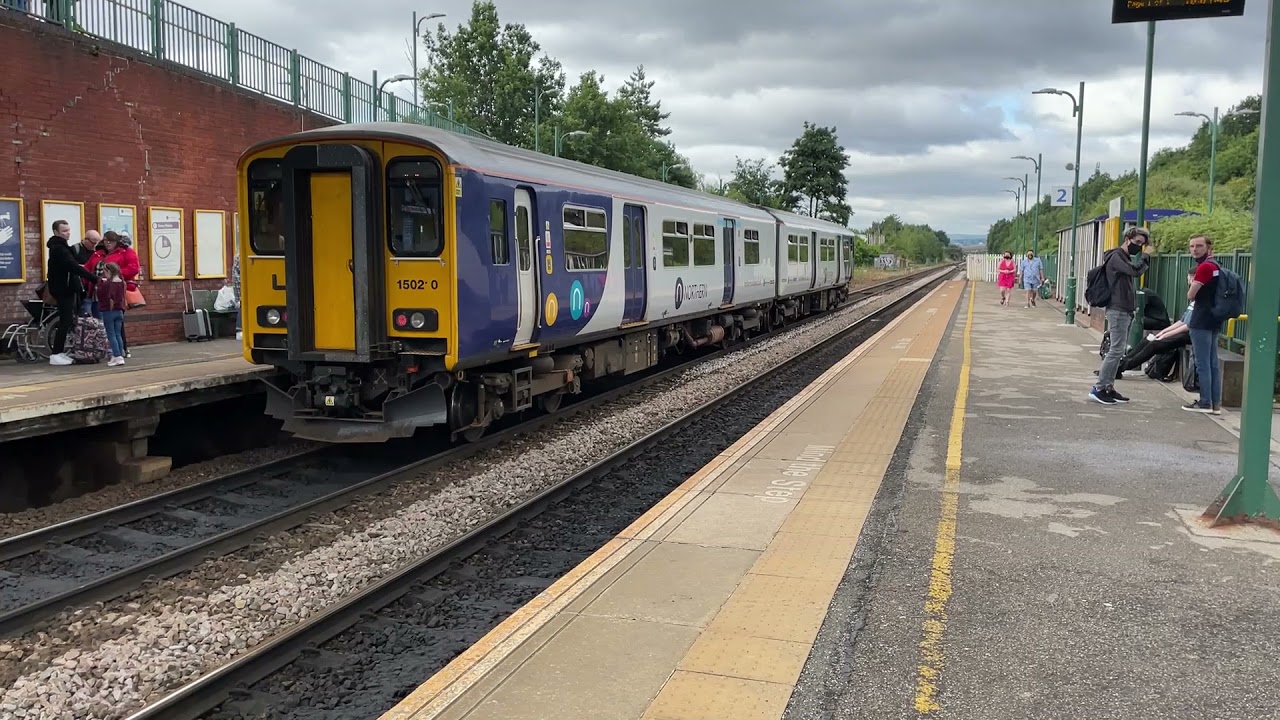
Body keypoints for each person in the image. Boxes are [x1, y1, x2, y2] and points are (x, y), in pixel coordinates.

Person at [1089, 227, 1151, 405]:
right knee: (1116, 349)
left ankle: (1108, 386)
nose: (1139, 247)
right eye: (1137, 242)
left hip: (1124, 308)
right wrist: (1146, 256)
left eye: (1142, 244)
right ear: (1127, 239)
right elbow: (1135, 271)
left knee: (1118, 350)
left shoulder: (1122, 257)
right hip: (1117, 308)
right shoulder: (1116, 256)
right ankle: (1099, 387)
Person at [45, 220, 99, 366]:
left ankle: (60, 352)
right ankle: (55, 354)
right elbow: (73, 267)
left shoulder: (61, 247)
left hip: (65, 288)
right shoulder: (59, 249)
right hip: (64, 289)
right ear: (56, 232)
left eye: (68, 230)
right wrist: (95, 279)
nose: (68, 233)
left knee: (67, 321)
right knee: (66, 321)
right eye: (64, 231)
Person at [86, 231, 140, 358]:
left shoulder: (126, 252)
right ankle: (108, 350)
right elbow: (88, 268)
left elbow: (134, 268)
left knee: (114, 326)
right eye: (105, 241)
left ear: (117, 242)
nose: (108, 243)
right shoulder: (98, 253)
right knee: (101, 322)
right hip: (97, 292)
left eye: (111, 241)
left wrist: (115, 275)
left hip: (116, 293)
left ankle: (120, 351)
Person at [1185, 234, 1224, 414]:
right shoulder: (1217, 266)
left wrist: (1192, 286)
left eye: (1199, 246)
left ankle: (1205, 402)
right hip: (1214, 317)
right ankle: (1215, 403)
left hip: (1200, 318)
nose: (1194, 249)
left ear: (1208, 247)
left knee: (1202, 362)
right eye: (1192, 246)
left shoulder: (1204, 268)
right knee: (1212, 362)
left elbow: (1191, 295)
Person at [96, 261, 128, 367]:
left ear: (109, 271)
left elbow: (100, 294)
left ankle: (116, 356)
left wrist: (101, 282)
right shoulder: (122, 283)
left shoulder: (107, 284)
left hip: (109, 311)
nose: (104, 273)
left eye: (105, 271)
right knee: (118, 334)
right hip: (119, 311)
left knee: (111, 334)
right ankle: (121, 354)